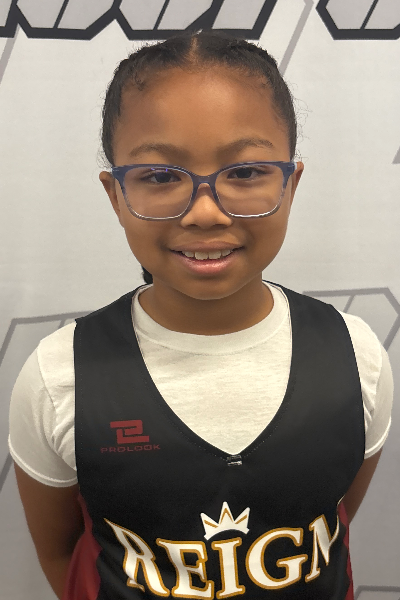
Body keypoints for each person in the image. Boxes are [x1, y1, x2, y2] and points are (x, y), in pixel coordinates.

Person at [8, 30, 393, 600]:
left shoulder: (356, 358)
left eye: (246, 172)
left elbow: (333, 515)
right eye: (161, 177)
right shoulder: (59, 377)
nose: (206, 213)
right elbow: (61, 551)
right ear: (116, 196)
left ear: (291, 184)